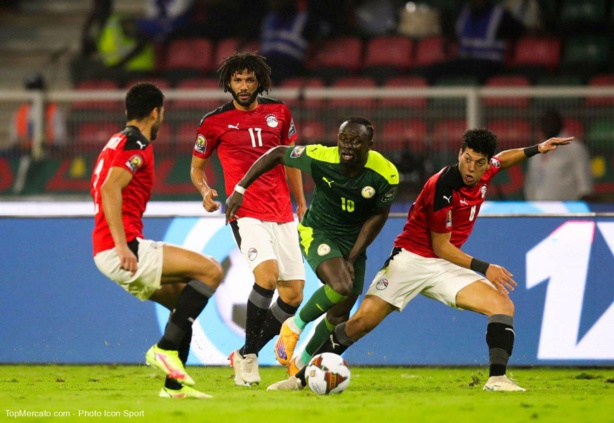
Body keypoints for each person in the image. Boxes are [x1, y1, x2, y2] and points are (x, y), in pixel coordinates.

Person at [266, 128, 573, 392]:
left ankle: (497, 378)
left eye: (479, 163)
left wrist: (537, 149)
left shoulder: (485, 168)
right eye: (467, 159)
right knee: (359, 323)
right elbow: (441, 247)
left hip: (446, 267)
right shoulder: (444, 186)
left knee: (502, 305)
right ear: (459, 153)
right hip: (410, 261)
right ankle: (302, 376)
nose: (471, 168)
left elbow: (502, 159)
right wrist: (485, 268)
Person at [226, 116, 399, 376]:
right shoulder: (321, 156)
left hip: (353, 241)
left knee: (341, 313)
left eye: (356, 142)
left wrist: (352, 257)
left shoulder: (386, 174)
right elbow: (278, 153)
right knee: (340, 286)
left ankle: (301, 364)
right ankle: (294, 326)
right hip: (319, 232)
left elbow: (379, 215)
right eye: (343, 140)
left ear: (370, 145)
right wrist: (240, 187)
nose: (347, 147)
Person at [91, 82, 223, 399]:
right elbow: (110, 189)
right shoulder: (136, 143)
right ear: (156, 112)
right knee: (211, 271)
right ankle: (163, 350)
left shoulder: (116, 141)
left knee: (184, 306)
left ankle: (174, 388)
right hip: (121, 247)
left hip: (106, 248)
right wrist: (123, 245)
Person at [190, 52, 307, 387]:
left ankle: (244, 351)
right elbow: (196, 169)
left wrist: (301, 202)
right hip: (246, 212)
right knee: (267, 278)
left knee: (293, 295)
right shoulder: (213, 122)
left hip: (282, 212)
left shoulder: (280, 112)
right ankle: (251, 360)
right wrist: (204, 190)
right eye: (237, 80)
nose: (243, 86)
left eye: (249, 80)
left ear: (260, 82)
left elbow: (291, 160)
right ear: (228, 82)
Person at [422, 0, 524, 84]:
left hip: (490, 63)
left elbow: (519, 31)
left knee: (481, 74)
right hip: (466, 60)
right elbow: (453, 34)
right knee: (432, 70)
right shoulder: (463, 13)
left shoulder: (501, 15)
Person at [524, 109, 594, 201]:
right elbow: (530, 185)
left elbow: (585, 186)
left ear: (560, 125)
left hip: (567, 210)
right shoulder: (535, 152)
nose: (548, 126)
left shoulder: (575, 149)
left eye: (551, 123)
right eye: (545, 123)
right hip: (539, 209)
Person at [10, 73, 67, 151]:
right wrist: (22, 140)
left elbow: (61, 138)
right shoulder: (21, 112)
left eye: (37, 89)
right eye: (31, 90)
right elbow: (13, 138)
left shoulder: (53, 110)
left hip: (49, 152)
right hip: (23, 151)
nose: (34, 93)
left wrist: (46, 141)